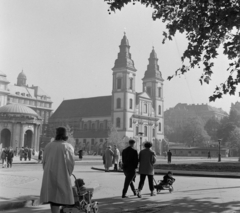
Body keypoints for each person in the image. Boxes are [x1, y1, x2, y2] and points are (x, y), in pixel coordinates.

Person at [40, 127, 75, 213]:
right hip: (62, 174)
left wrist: (47, 171)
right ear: (65, 136)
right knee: (62, 197)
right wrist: (68, 174)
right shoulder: (67, 146)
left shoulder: (48, 146)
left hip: (49, 175)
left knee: (52, 199)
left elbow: (44, 162)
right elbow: (70, 164)